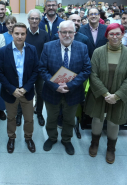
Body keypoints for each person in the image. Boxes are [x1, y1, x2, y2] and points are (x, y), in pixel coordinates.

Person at [84, 23, 127, 164]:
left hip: (118, 96)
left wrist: (116, 96)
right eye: (111, 34)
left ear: (122, 35)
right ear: (106, 35)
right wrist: (105, 93)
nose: (114, 36)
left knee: (114, 122)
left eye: (117, 34)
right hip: (99, 94)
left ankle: (111, 149)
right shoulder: (98, 52)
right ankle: (94, 143)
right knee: (97, 120)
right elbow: (93, 74)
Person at [39, 21, 91, 155]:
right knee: (51, 118)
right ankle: (52, 138)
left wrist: (70, 85)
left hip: (73, 92)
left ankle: (66, 140)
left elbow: (86, 70)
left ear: (75, 33)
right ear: (59, 33)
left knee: (69, 119)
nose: (67, 35)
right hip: (52, 91)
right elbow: (42, 69)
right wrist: (55, 86)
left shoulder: (82, 47)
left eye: (70, 32)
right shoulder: (48, 47)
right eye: (64, 32)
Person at [0, 23, 39, 154]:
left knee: (29, 118)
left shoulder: (32, 49)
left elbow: (35, 71)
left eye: (22, 34)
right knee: (11, 117)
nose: (19, 36)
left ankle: (28, 138)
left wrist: (26, 88)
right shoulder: (4, 51)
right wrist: (12, 89)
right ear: (12, 34)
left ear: (26, 35)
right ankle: (11, 137)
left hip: (27, 91)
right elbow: (0, 73)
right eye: (17, 33)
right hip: (10, 92)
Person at [24, 9, 50, 126]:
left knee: (40, 93)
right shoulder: (23, 33)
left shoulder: (45, 35)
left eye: (36, 18)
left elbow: (47, 53)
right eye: (32, 18)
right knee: (23, 92)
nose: (34, 21)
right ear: (28, 20)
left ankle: (39, 113)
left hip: (40, 71)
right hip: (25, 70)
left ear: (40, 20)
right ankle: (20, 113)